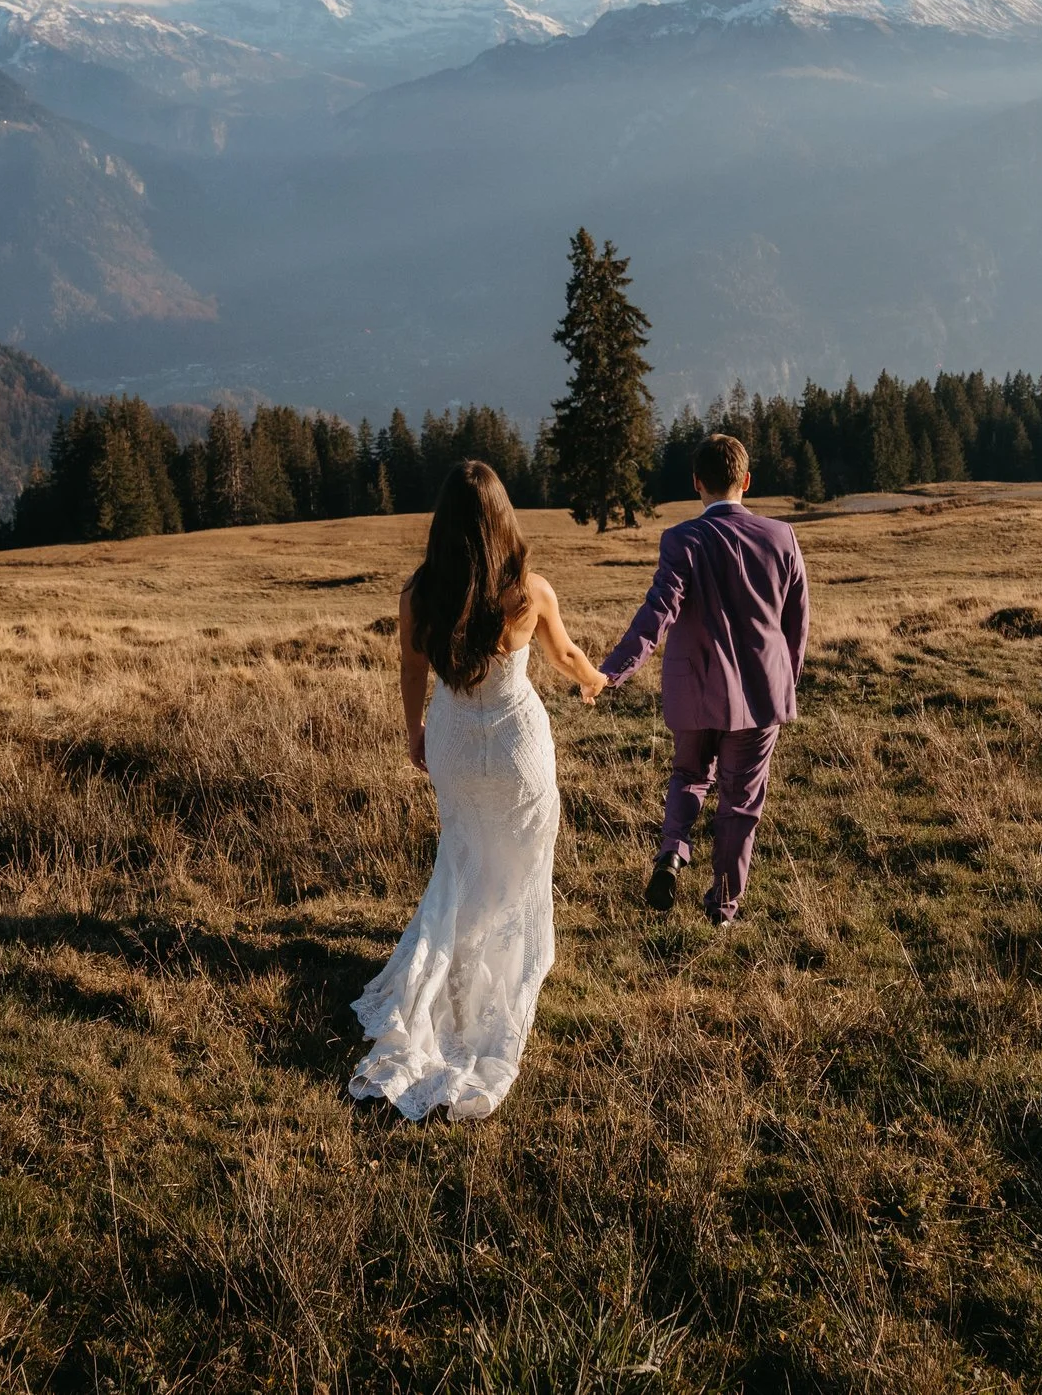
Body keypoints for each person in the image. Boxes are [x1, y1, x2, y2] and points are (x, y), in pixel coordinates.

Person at [347, 459, 606, 1120]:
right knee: (521, 856)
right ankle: (504, 960)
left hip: (456, 741)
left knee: (463, 853)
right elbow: (568, 656)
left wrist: (417, 733)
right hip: (518, 745)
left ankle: (451, 966)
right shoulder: (529, 594)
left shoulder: (419, 595)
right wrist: (595, 678)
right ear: (502, 521)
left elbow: (410, 671)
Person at [595, 433, 809, 927]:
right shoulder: (782, 538)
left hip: (694, 690)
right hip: (759, 697)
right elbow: (797, 625)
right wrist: (786, 682)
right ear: (747, 481)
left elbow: (657, 614)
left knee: (689, 776)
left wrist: (611, 672)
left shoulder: (681, 540)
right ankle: (723, 909)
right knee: (740, 803)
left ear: (697, 484)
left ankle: (672, 852)